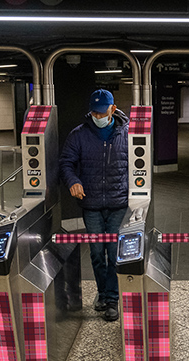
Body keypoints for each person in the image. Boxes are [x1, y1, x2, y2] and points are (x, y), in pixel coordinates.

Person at [59, 89, 129, 322]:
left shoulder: (127, 133)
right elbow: (66, 163)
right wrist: (73, 181)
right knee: (98, 253)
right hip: (91, 204)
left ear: (112, 108)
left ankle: (112, 300)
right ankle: (102, 292)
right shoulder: (78, 135)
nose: (98, 116)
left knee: (113, 252)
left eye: (102, 112)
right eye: (94, 113)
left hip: (118, 202)